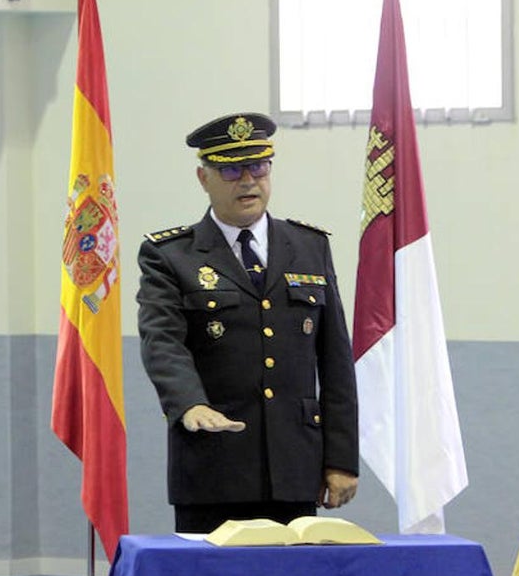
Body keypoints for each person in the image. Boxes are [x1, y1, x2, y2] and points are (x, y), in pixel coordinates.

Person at [137, 112, 359, 533]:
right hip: (213, 467)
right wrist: (190, 403)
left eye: (258, 166)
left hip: (295, 468)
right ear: (204, 177)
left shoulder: (309, 247)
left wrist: (341, 459)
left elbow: (336, 362)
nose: (248, 180)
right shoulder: (171, 256)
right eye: (232, 169)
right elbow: (162, 341)